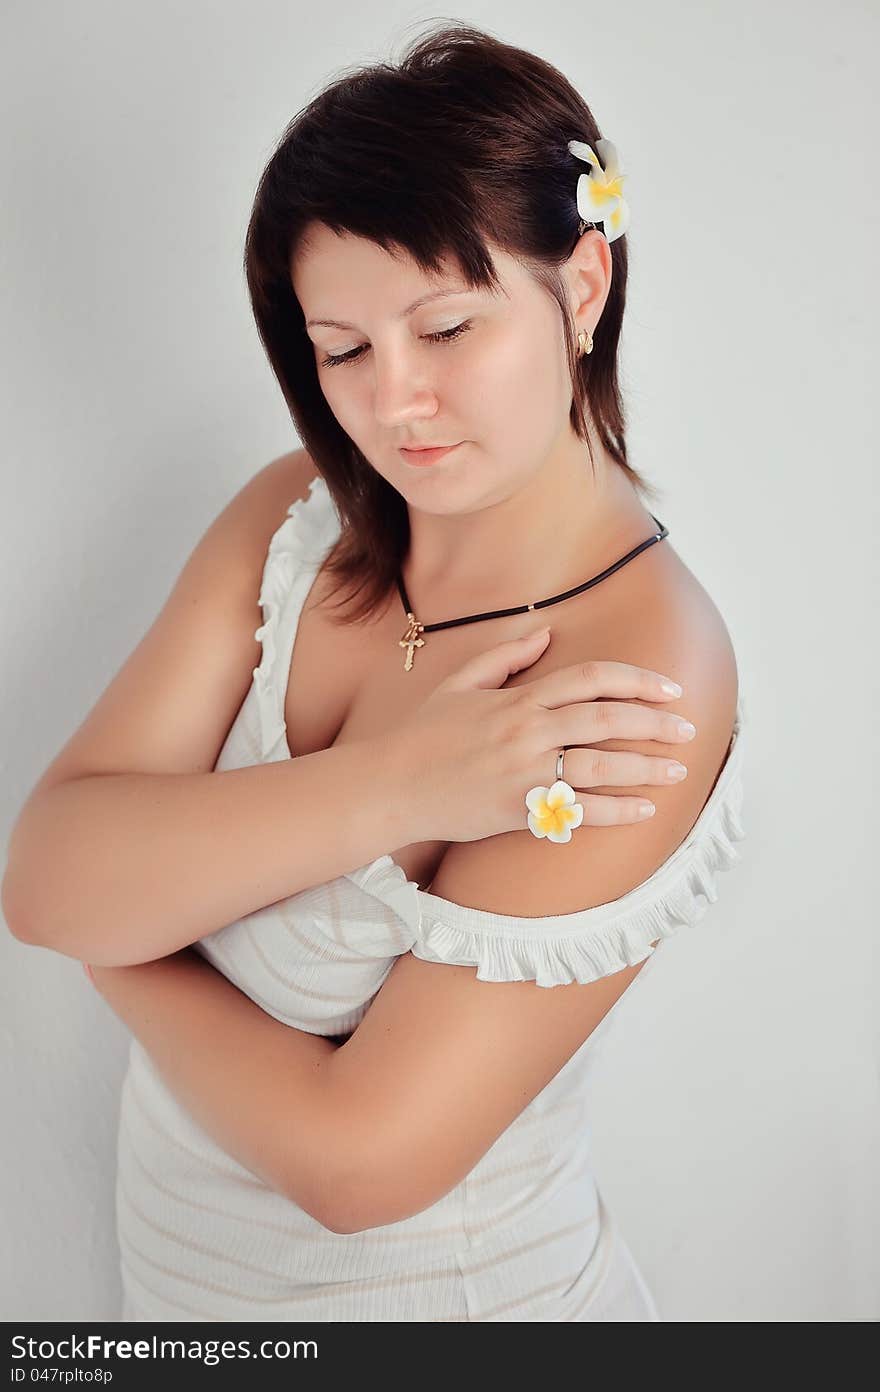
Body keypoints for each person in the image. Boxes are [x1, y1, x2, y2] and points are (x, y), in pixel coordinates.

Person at [3, 24, 746, 1321]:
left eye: (445, 327)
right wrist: (399, 788)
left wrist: (125, 942)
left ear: (581, 284)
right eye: (341, 350)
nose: (395, 402)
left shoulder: (641, 673)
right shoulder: (296, 523)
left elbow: (366, 1163)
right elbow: (47, 876)